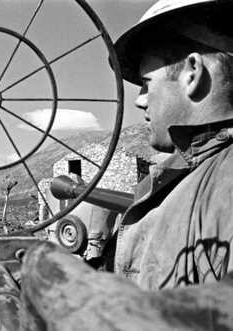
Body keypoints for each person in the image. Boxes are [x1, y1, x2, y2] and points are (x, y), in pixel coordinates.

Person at [19, 0, 233, 329]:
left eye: (147, 83)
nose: (140, 99)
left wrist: (52, 276)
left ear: (192, 72)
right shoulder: (179, 177)